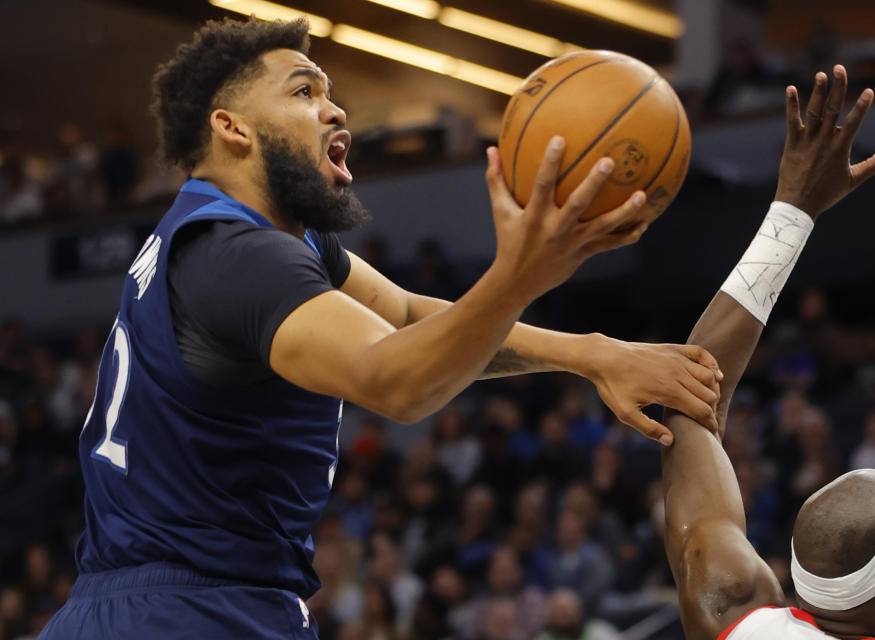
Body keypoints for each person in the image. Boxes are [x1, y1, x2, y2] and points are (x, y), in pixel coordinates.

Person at [39, 16, 724, 639]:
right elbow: (394, 381)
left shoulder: (242, 239)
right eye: (304, 92)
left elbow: (403, 316)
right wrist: (521, 276)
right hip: (187, 616)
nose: (335, 109)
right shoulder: (239, 256)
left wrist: (593, 355)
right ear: (233, 128)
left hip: (150, 607)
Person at [659, 65, 875, 639]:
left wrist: (792, 209)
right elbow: (688, 396)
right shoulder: (731, 614)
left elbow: (691, 389)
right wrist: (795, 210)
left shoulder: (735, 615)